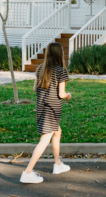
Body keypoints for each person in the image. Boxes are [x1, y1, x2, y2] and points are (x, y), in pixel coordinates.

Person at [20, 42, 72, 183]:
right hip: (52, 110)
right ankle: (27, 172)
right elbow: (61, 94)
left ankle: (58, 164)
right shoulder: (61, 71)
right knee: (44, 140)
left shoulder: (40, 68)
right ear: (59, 54)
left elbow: (35, 89)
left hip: (42, 107)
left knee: (57, 132)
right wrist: (68, 95)